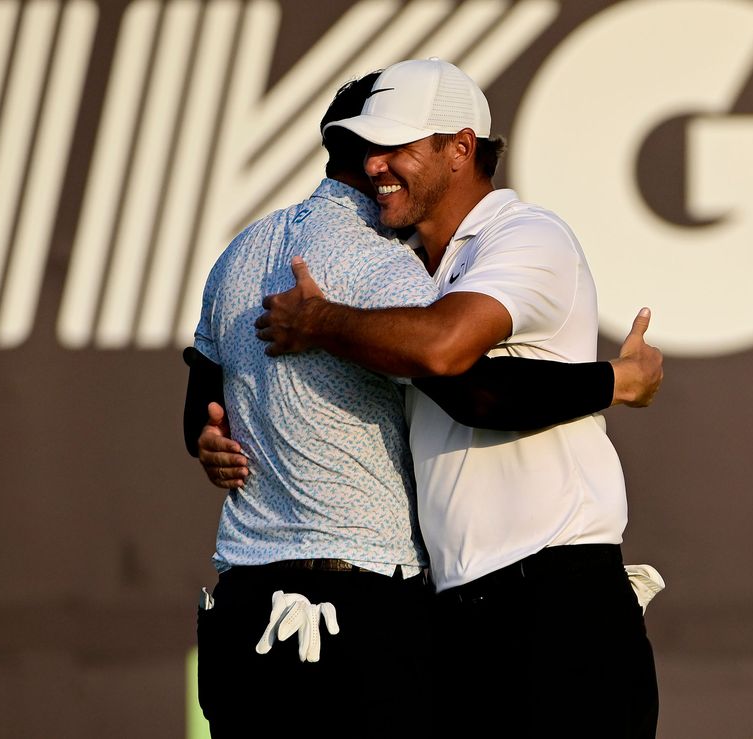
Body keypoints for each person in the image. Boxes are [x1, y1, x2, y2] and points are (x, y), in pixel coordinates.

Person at [188, 69, 662, 737]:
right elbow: (210, 399)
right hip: (462, 605)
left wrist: (320, 321)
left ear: (461, 147)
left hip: (556, 592)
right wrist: (217, 436)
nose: (375, 164)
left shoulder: (527, 236)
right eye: (367, 148)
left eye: (397, 146)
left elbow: (450, 361)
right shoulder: (412, 269)